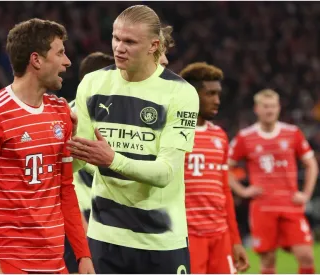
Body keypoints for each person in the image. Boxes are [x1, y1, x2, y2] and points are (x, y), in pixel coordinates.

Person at [67, 5, 199, 274]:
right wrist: (60, 144)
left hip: (162, 239)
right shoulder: (93, 85)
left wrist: (112, 159)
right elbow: (78, 162)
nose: (119, 47)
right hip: (105, 238)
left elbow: (165, 173)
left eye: (129, 41)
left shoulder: (180, 93)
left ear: (154, 45)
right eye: (116, 38)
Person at [0, 18, 94, 274]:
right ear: (36, 60)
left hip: (54, 259)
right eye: (60, 53)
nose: (67, 62)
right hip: (7, 258)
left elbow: (65, 189)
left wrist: (82, 254)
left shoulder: (61, 112)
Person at [228, 89, 318, 274]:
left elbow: (311, 164)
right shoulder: (245, 137)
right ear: (257, 109)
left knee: (306, 255)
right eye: (266, 106)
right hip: (263, 207)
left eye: (273, 106)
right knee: (268, 260)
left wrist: (306, 194)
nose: (270, 110)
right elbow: (225, 167)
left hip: (290, 204)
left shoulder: (292, 133)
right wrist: (243, 191)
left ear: (279, 108)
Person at [179, 62, 250, 273]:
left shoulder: (219, 135)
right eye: (210, 93)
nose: (217, 100)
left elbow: (224, 190)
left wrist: (235, 240)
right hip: (187, 237)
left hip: (220, 236)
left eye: (218, 93)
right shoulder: (174, 133)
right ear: (192, 94)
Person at [64, 51, 115, 273]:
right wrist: (81, 229)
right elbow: (66, 177)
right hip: (81, 227)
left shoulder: (108, 117)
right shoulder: (69, 117)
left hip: (104, 227)